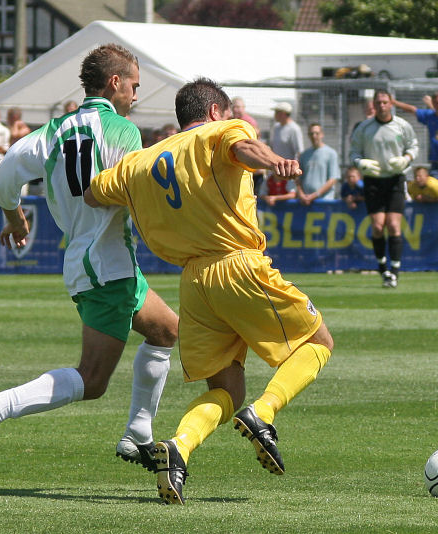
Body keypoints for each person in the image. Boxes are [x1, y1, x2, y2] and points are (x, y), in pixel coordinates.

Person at [84, 77, 335, 506]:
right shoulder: (223, 130)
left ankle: (179, 447)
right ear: (216, 111)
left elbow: (92, 193)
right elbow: (244, 149)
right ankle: (265, 413)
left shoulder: (138, 163)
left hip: (194, 284)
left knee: (227, 388)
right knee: (318, 342)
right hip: (236, 264)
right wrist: (274, 160)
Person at [0, 44, 179, 477]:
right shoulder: (123, 131)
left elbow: (2, 178)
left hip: (96, 260)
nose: (136, 95)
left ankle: (138, 431)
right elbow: (129, 192)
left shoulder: (55, 129)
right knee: (93, 381)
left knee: (166, 329)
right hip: (107, 263)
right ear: (115, 82)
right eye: (134, 85)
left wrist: (15, 216)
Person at [350, 89, 418, 288]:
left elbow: (414, 146)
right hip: (373, 180)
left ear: (391, 104)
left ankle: (394, 271)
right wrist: (360, 163)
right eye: (378, 102)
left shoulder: (402, 126)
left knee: (394, 225)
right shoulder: (364, 128)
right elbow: (353, 152)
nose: (381, 106)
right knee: (378, 227)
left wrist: (407, 158)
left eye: (385, 102)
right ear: (374, 104)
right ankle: (383, 268)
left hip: (395, 179)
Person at [391, 91, 438, 195]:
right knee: (435, 190)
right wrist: (394, 102)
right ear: (433, 104)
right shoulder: (430, 116)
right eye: (436, 103)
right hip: (436, 163)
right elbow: (412, 109)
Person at [296, 123, 340, 205]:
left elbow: (333, 179)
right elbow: (298, 179)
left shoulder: (331, 153)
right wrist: (301, 194)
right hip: (305, 201)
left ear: (322, 134)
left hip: (324, 201)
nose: (314, 136)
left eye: (317, 133)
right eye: (311, 133)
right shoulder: (304, 155)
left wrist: (315, 195)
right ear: (308, 135)